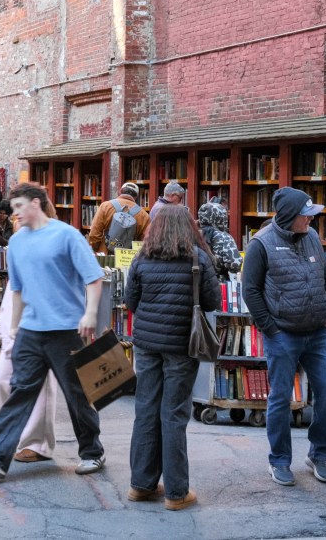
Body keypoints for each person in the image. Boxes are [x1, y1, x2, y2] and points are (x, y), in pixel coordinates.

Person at [0, 182, 105, 481]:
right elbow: (17, 288)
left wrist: (90, 313)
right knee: (21, 392)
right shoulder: (16, 242)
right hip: (30, 330)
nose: (14, 214)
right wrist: (14, 327)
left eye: (19, 207)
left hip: (65, 329)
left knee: (77, 394)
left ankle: (92, 452)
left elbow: (93, 277)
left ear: (36, 204)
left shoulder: (66, 235)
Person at [125, 204, 221, 511]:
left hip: (146, 344)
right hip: (181, 345)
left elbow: (130, 301)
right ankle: (176, 493)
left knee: (146, 409)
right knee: (174, 414)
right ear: (188, 227)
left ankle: (141, 485)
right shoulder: (198, 258)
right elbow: (212, 301)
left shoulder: (142, 258)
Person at [243, 187, 326, 488]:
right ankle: (280, 461)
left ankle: (319, 455)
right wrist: (270, 328)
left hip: (318, 332)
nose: (311, 219)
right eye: (305, 215)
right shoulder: (261, 244)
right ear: (288, 216)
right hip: (283, 333)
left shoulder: (312, 237)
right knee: (281, 398)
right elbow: (250, 290)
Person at [0, 200, 60, 465]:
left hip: (38, 328)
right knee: (1, 381)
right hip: (15, 328)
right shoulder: (21, 246)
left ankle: (37, 443)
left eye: (20, 216)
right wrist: (3, 324)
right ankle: (22, 433)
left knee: (41, 387)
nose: (14, 220)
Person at [87, 182, 151, 253]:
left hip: (105, 255)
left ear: (120, 191)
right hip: (127, 257)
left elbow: (94, 234)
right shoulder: (144, 215)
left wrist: (97, 250)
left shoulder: (105, 206)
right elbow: (144, 242)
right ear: (136, 196)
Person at [197, 201, 242, 282]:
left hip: (194, 282)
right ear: (221, 218)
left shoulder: (192, 234)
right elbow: (235, 263)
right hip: (217, 283)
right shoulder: (224, 237)